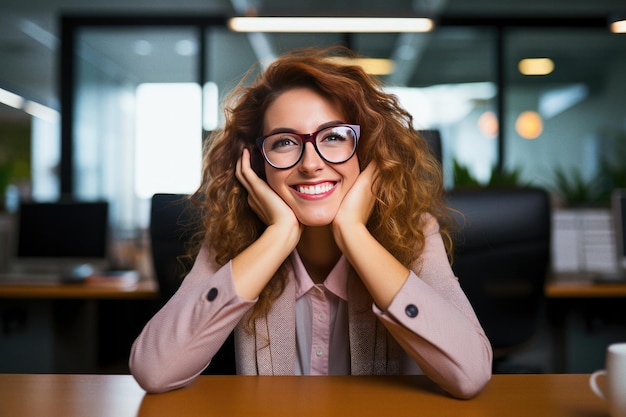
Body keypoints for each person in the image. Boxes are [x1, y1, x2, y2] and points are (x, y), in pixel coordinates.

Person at [129, 46, 492, 399]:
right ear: (258, 163)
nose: (310, 163)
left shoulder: (414, 230)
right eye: (285, 142)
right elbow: (154, 370)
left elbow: (470, 374)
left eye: (333, 137)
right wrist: (277, 236)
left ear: (368, 151)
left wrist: (354, 233)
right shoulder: (233, 237)